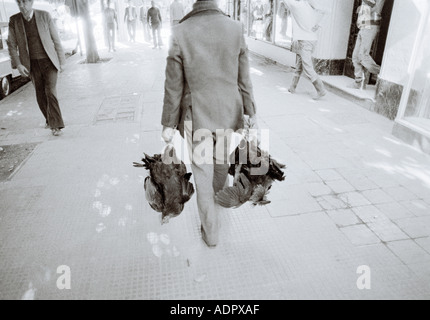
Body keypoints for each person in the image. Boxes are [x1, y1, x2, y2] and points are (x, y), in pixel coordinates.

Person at [161, 0, 257, 247]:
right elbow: (244, 78)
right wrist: (250, 111)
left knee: (203, 173)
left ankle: (211, 232)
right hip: (227, 114)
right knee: (221, 164)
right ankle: (220, 205)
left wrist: (168, 124)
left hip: (198, 118)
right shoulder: (235, 27)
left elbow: (173, 86)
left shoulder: (180, 32)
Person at [7, 0, 66, 136]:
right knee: (40, 94)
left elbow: (56, 39)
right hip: (32, 65)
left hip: (49, 62)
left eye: (24, 2)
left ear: (31, 2)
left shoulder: (45, 15)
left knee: (50, 91)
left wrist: (62, 61)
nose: (22, 6)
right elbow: (11, 44)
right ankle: (49, 119)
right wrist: (18, 64)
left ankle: (56, 125)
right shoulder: (14, 20)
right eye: (19, 3)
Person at [282, 0, 327, 100]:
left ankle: (321, 90)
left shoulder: (295, 5)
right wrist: (319, 24)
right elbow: (325, 10)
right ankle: (292, 87)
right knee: (300, 63)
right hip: (312, 39)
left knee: (307, 67)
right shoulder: (307, 3)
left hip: (305, 41)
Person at [349, 0, 386, 89]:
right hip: (365, 23)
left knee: (362, 56)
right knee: (355, 56)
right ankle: (358, 82)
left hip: (371, 23)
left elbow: (373, 5)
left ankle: (384, 74)